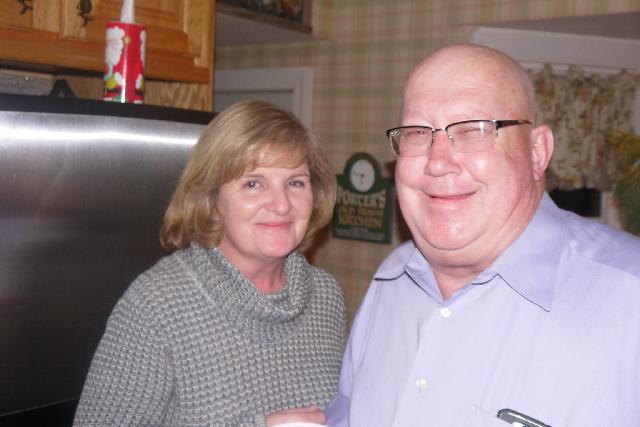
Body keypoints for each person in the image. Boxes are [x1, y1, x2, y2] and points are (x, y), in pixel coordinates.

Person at [326, 44, 640, 426]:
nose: (437, 162)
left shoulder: (630, 302)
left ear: (537, 152)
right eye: (417, 132)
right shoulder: (391, 278)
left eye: (473, 129)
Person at [74, 100, 347, 426]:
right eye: (253, 183)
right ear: (211, 198)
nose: (281, 204)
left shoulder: (326, 296)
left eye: (295, 182)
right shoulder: (157, 305)